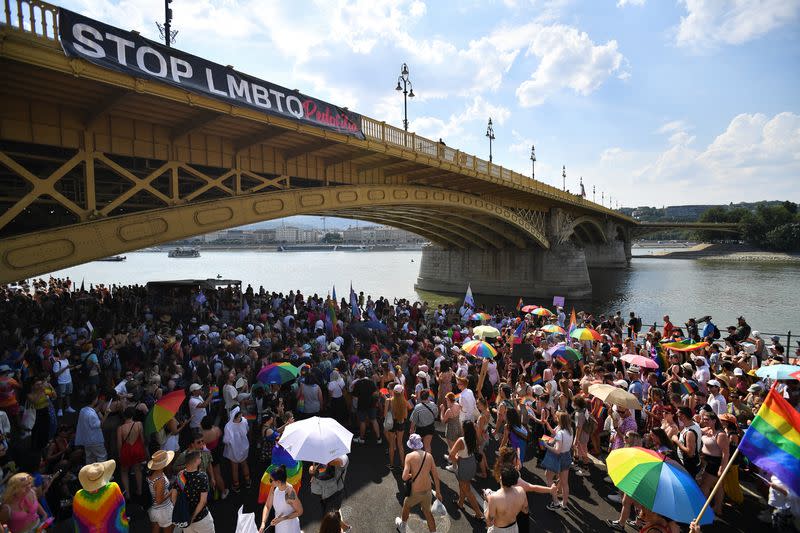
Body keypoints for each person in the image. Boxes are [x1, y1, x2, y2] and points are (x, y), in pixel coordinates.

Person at [395, 433, 443, 533]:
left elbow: (404, 477)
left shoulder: (409, 456)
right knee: (427, 512)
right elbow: (435, 476)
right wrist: (438, 492)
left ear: (411, 445)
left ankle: (402, 526)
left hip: (415, 492)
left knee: (406, 506)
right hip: (428, 491)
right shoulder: (429, 456)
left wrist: (412, 475)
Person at [73, 460, 128, 532]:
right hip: (115, 530)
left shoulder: (78, 496)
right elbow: (121, 508)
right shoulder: (113, 488)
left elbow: (77, 520)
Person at [447, 420, 483, 520]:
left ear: (464, 429)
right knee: (463, 484)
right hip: (472, 463)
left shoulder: (461, 440)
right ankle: (460, 503)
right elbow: (480, 442)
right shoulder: (474, 437)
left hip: (464, 465)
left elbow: (451, 455)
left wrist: (458, 460)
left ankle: (479, 513)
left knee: (467, 490)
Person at [172, 450, 214, 533]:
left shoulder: (180, 475)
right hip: (201, 519)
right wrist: (193, 517)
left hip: (185, 520)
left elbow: (173, 497)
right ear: (197, 461)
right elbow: (203, 501)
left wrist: (182, 511)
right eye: (200, 457)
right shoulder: (202, 476)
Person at [699, 411, 730, 516]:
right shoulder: (708, 429)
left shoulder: (720, 434)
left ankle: (701, 510)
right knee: (719, 486)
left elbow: (726, 453)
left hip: (714, 463)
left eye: (707, 420)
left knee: (705, 485)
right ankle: (718, 508)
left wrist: (722, 467)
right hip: (706, 460)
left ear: (714, 421)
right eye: (704, 419)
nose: (704, 421)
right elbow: (697, 429)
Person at [541, 410, 573, 511]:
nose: (555, 418)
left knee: (548, 476)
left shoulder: (560, 433)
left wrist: (546, 445)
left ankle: (555, 502)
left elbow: (557, 450)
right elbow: (554, 433)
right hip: (567, 456)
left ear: (560, 420)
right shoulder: (570, 430)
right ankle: (564, 504)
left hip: (557, 458)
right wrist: (547, 424)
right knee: (565, 483)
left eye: (557, 417)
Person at [259, 464, 303, 533]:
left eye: (271, 480)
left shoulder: (289, 492)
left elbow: (300, 511)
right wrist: (263, 523)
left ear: (278, 482)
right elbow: (267, 506)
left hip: (289, 527)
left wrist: (282, 519)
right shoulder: (274, 487)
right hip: (279, 524)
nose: (270, 482)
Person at [309, 454, 349, 526]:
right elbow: (314, 469)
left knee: (330, 517)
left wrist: (319, 457)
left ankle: (343, 527)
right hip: (323, 492)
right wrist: (312, 469)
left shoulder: (343, 457)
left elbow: (335, 462)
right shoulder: (326, 454)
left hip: (335, 493)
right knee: (328, 515)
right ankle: (345, 527)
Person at [117, 406, 146, 499]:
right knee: (137, 469)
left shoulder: (120, 428)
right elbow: (142, 439)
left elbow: (119, 444)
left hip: (126, 450)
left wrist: (119, 454)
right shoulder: (139, 424)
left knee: (124, 471)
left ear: (124, 416)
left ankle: (128, 494)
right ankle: (140, 490)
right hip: (137, 448)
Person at [485, 468, 527, 533]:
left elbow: (489, 523)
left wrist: (487, 498)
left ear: (501, 478)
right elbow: (525, 510)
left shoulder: (493, 498)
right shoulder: (521, 491)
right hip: (514, 528)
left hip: (498, 530)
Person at [146, 450, 175, 533]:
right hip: (164, 511)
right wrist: (171, 492)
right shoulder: (160, 480)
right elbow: (159, 501)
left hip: (154, 510)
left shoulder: (152, 475)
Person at [223, 406, 251, 493]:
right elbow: (247, 430)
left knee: (234, 468)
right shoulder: (244, 421)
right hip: (244, 447)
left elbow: (226, 440)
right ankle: (248, 482)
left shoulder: (228, 426)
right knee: (244, 464)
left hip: (233, 449)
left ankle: (236, 486)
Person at [75, 392, 108, 464]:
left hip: (87, 440)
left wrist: (100, 404)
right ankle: (102, 474)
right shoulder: (91, 414)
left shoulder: (83, 410)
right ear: (94, 400)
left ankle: (90, 474)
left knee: (90, 459)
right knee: (102, 457)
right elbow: (100, 424)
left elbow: (94, 410)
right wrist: (106, 414)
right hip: (95, 440)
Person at [351, 370, 381, 444]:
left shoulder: (357, 383)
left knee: (362, 422)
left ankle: (361, 438)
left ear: (358, 375)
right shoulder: (370, 382)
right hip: (371, 404)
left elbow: (355, 397)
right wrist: (376, 402)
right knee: (374, 420)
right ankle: (379, 438)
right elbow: (375, 393)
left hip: (362, 405)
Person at [385, 384, 408, 469]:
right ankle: (402, 464)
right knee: (400, 444)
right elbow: (406, 416)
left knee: (391, 444)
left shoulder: (388, 400)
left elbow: (385, 415)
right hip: (401, 423)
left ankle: (391, 464)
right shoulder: (404, 401)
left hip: (391, 424)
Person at [52, 349, 76, 417]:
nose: (69, 354)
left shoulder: (66, 360)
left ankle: (68, 407)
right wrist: (66, 367)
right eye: (68, 352)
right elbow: (56, 374)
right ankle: (60, 410)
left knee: (68, 394)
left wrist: (74, 368)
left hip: (69, 380)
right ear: (63, 353)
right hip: (61, 382)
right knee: (60, 397)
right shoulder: (57, 362)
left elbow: (68, 369)